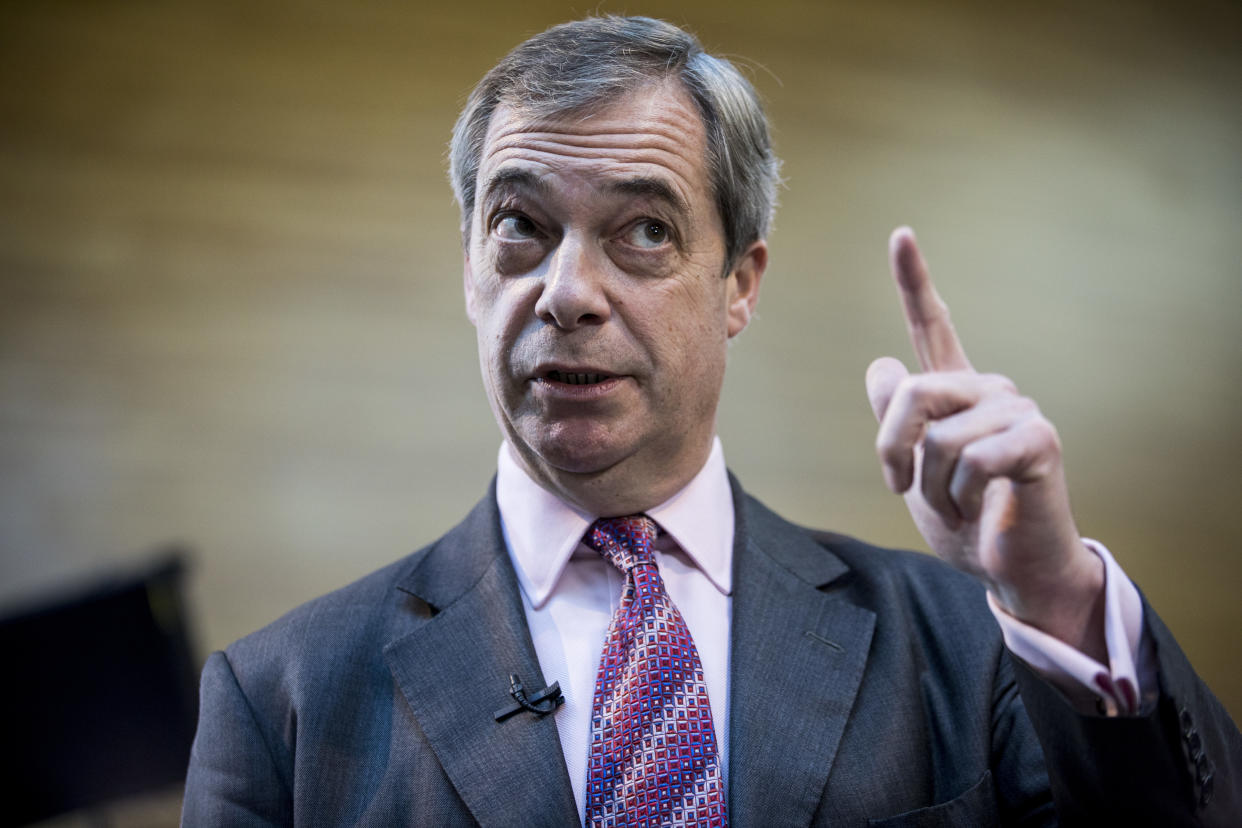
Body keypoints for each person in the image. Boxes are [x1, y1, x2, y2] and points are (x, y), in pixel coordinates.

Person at [182, 15, 1240, 827]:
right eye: (521, 226)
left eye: (643, 229)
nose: (566, 293)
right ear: (470, 269)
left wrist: (1055, 593)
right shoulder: (281, 698)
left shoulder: (966, 641)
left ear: (740, 282)